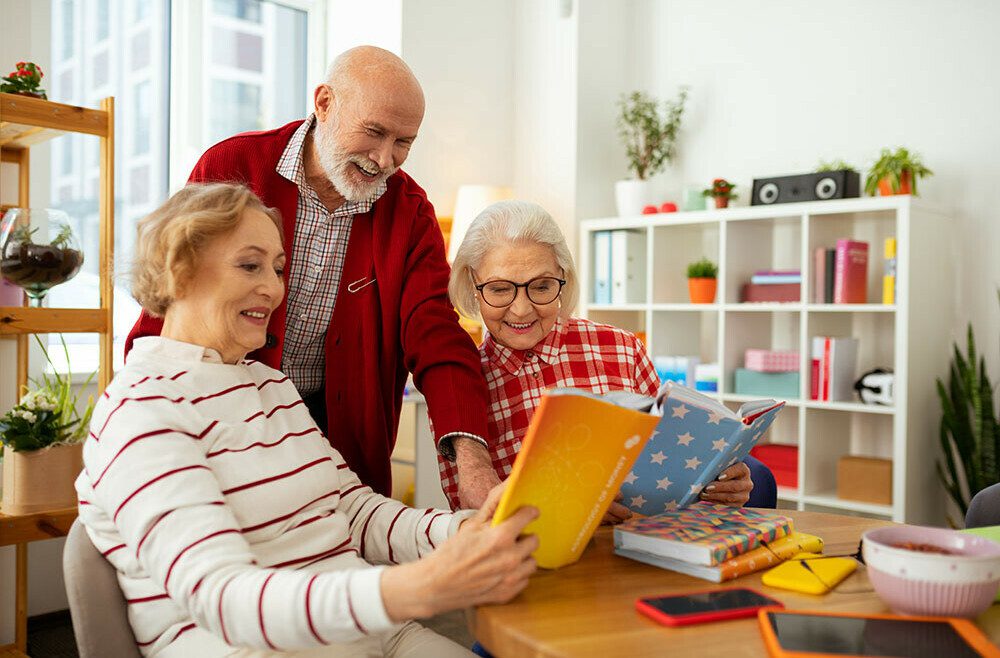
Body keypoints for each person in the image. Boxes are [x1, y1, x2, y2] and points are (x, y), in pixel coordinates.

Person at [78, 183, 537, 657]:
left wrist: (463, 530)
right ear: (179, 274)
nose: (274, 288)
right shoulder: (141, 409)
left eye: (278, 268)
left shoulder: (269, 385)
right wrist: (410, 589)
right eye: (250, 265)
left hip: (371, 635)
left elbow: (352, 513)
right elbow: (223, 599)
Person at [124, 46, 499, 509]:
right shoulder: (234, 166)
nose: (385, 159)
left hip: (342, 436)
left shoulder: (411, 211)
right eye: (375, 132)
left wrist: (473, 462)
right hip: (220, 418)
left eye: (403, 142)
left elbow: (436, 332)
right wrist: (143, 413)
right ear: (324, 103)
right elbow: (172, 290)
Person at [441, 200, 754, 516]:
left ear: (563, 278)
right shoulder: (459, 385)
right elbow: (468, 517)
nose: (522, 309)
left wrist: (717, 484)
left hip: (640, 547)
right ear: (472, 284)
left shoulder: (622, 349)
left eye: (542, 286)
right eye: (499, 290)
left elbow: (671, 464)